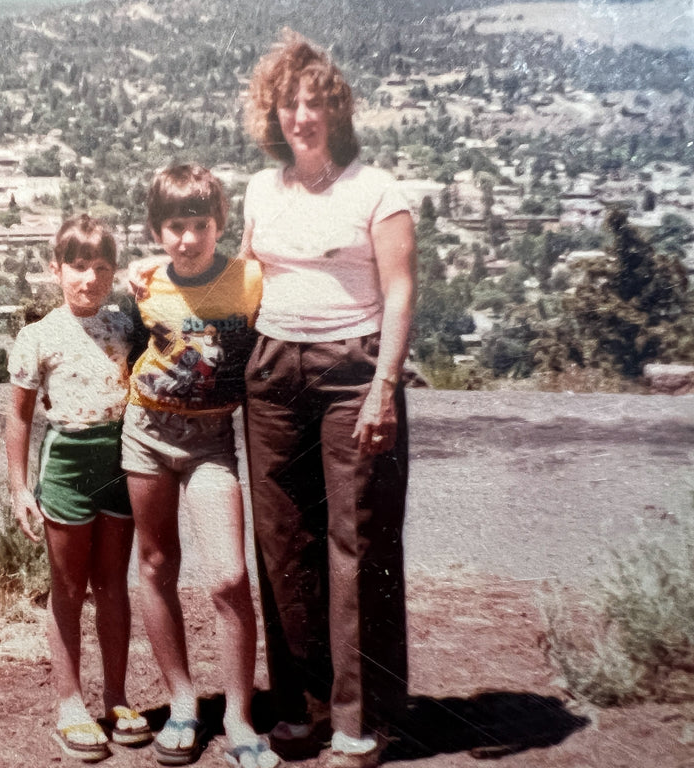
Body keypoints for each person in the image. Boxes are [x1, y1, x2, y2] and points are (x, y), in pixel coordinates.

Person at [240, 31, 418, 768]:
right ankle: (301, 707)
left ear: (336, 111)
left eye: (314, 103)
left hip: (355, 371)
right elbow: (244, 281)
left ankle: (363, 716)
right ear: (272, 114)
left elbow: (402, 289)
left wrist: (385, 385)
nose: (301, 116)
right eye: (289, 104)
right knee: (283, 542)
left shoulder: (378, 191)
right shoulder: (259, 189)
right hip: (273, 370)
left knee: (357, 542)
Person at [124, 165, 280, 768]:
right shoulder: (145, 282)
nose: (188, 239)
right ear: (157, 229)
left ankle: (240, 721)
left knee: (228, 578)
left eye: (199, 225)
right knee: (158, 564)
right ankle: (183, 703)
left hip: (212, 440)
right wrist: (141, 266)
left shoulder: (248, 281)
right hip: (145, 433)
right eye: (174, 227)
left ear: (219, 223)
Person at [5, 214, 152, 763]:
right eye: (77, 266)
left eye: (101, 268)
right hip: (66, 464)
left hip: (120, 460)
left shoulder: (124, 326)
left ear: (112, 273)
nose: (88, 278)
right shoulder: (38, 335)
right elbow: (19, 416)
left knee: (113, 585)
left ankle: (116, 696)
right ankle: (70, 703)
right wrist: (21, 488)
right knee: (68, 589)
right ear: (56, 269)